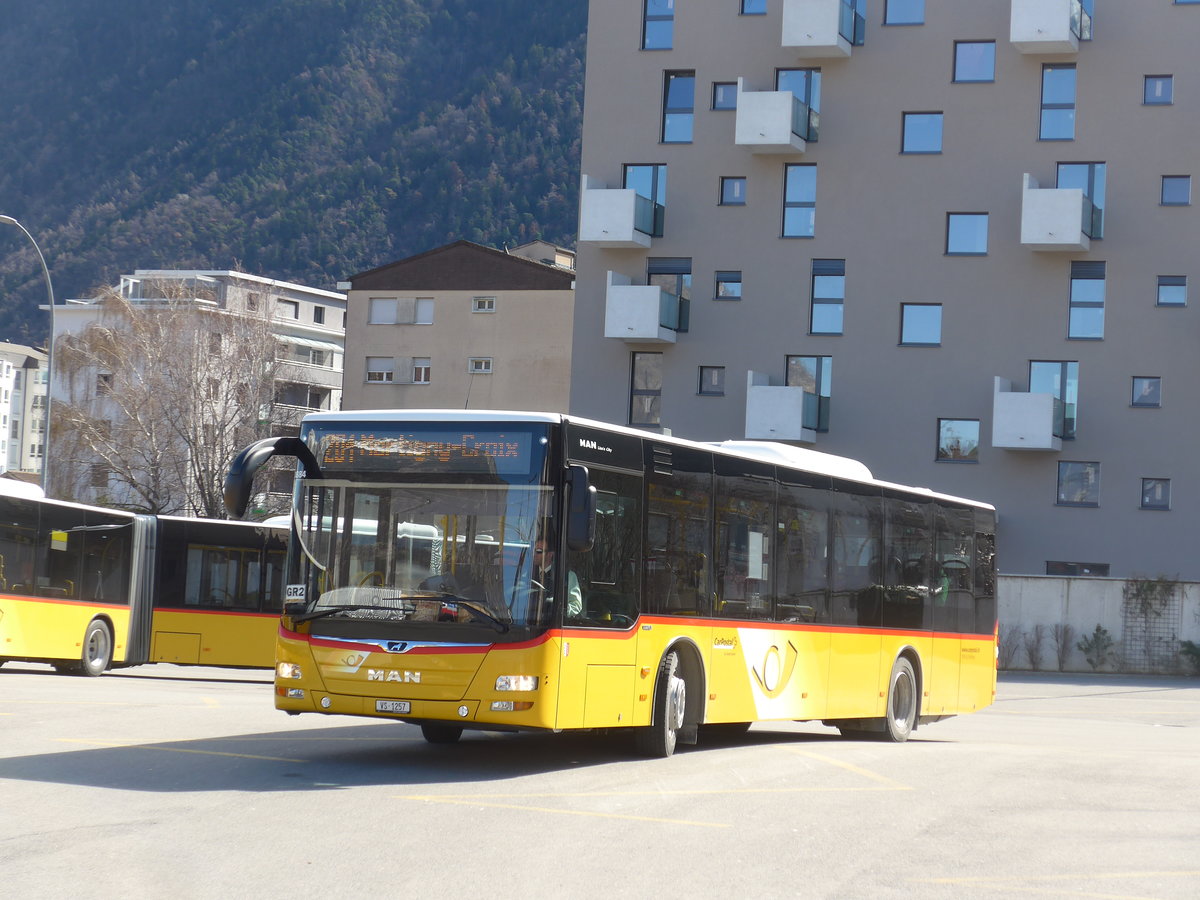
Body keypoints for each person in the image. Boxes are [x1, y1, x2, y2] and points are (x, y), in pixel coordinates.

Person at [533, 538, 582, 619]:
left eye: (538, 551)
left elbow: (576, 605)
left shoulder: (567, 576)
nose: (533, 554)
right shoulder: (526, 573)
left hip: (554, 624)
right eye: (533, 550)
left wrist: (557, 610)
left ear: (550, 554)